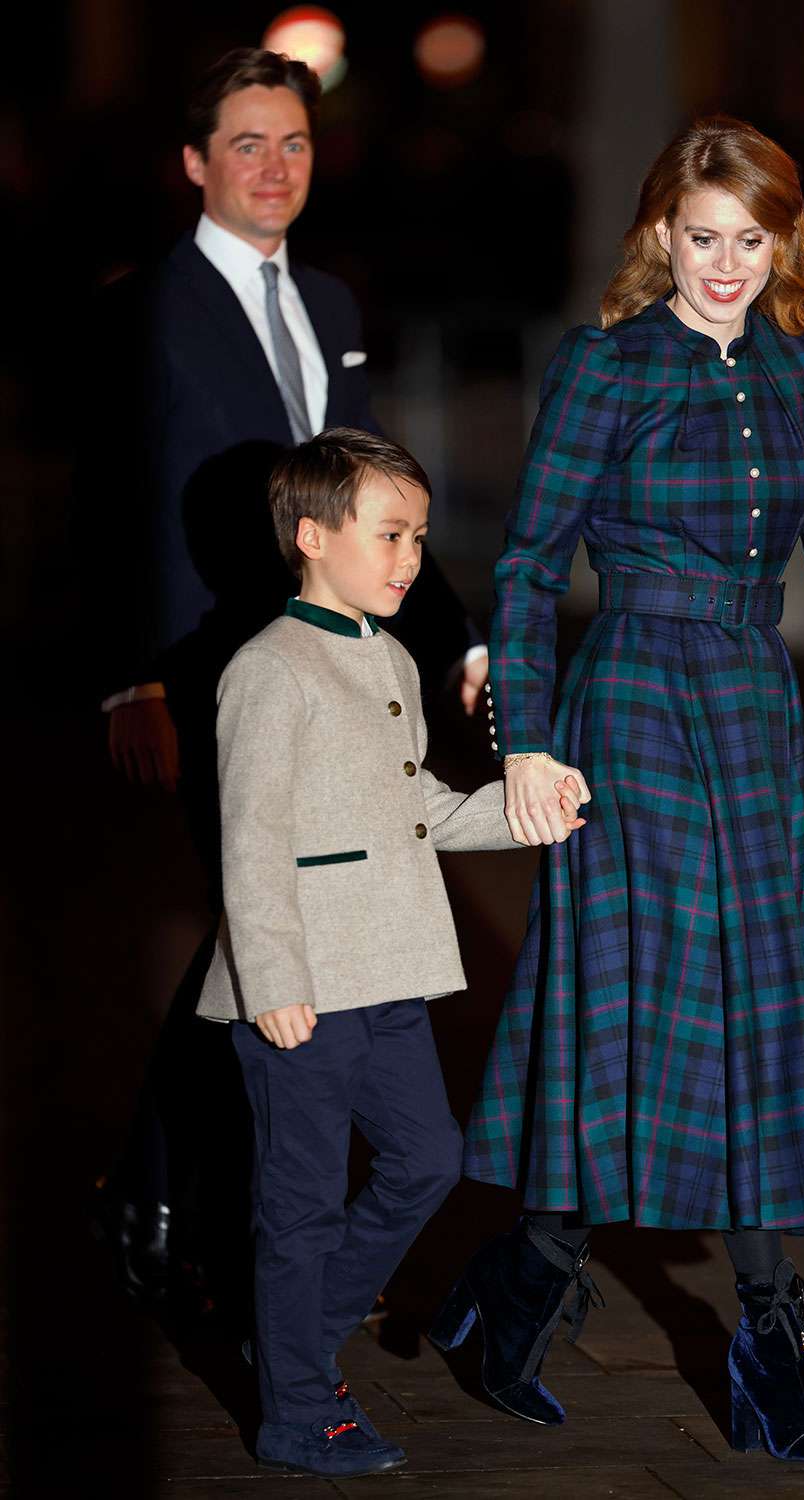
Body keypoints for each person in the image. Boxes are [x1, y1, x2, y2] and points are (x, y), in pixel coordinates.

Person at [432, 115, 804, 1464]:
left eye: (750, 238)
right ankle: (739, 1335)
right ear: (659, 236)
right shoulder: (608, 365)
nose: (725, 264)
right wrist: (525, 740)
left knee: (754, 1018)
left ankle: (536, 1295)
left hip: (748, 708)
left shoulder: (798, 373)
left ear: (781, 239)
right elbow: (527, 565)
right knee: (630, 1009)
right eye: (702, 237)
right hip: (624, 709)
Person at [86, 48, 488, 1303]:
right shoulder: (147, 307)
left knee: (257, 937)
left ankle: (172, 1192)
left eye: (295, 143)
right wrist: (131, 682)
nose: (275, 166)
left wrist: (457, 637)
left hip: (341, 660)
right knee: (261, 927)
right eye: (248, 143)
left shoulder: (329, 303)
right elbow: (119, 507)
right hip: (219, 675)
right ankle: (172, 1194)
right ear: (196, 162)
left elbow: (370, 492)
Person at [194, 426, 582, 1477]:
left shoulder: (391, 655)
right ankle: (297, 1412)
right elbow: (251, 840)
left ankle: (289, 1342)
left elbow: (408, 805)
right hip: (306, 990)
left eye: (417, 536)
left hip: (389, 976)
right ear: (312, 537)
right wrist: (271, 981)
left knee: (427, 1161)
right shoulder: (270, 671)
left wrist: (521, 813)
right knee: (301, 1205)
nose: (410, 557)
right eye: (389, 534)